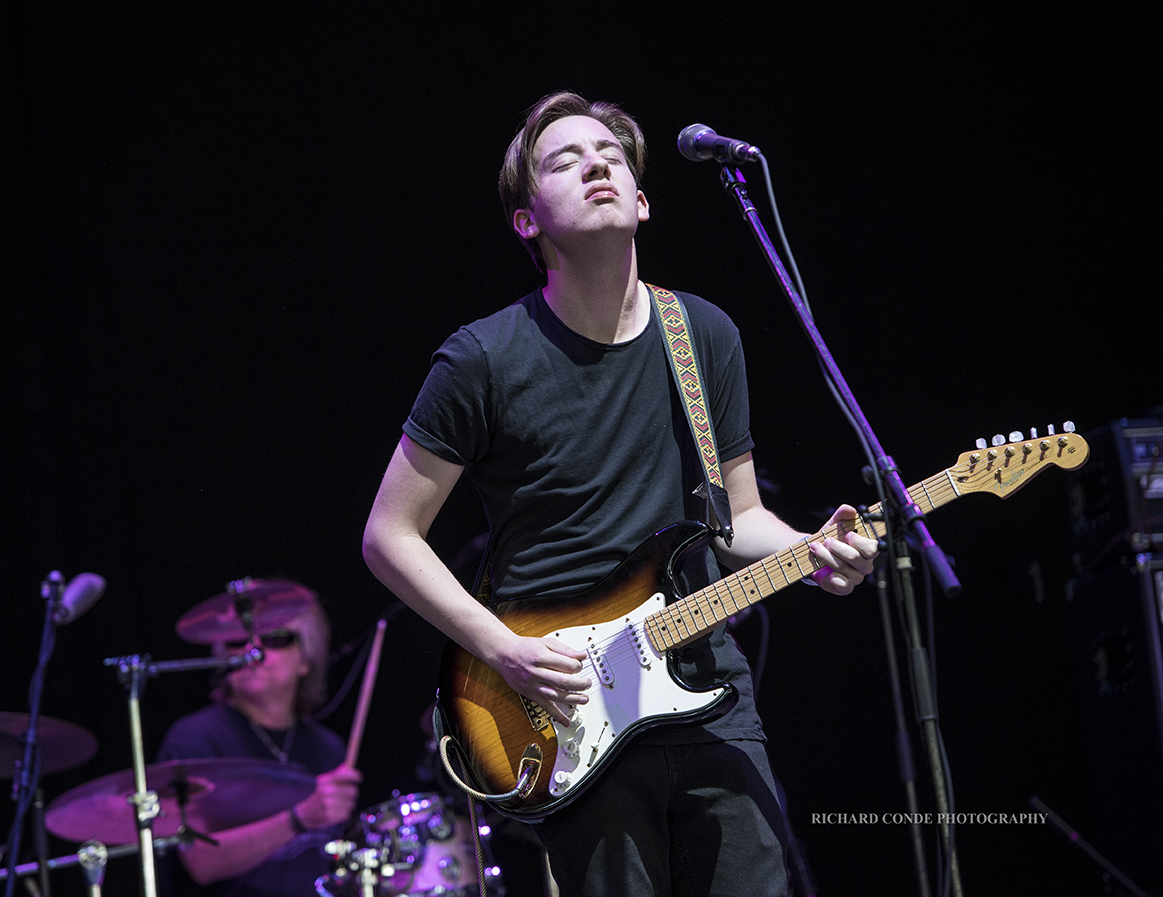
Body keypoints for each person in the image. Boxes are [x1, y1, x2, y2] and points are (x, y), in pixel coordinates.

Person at [361, 92, 878, 897]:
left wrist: (814, 555)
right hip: (562, 702)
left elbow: (738, 518)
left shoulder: (702, 332)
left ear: (641, 200)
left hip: (708, 684)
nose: (595, 164)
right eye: (563, 161)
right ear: (527, 221)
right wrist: (501, 647)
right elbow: (389, 535)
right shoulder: (481, 360)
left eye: (609, 155)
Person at [156, 583, 362, 896]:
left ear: (306, 659)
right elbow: (202, 862)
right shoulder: (195, 740)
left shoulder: (329, 749)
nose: (253, 650)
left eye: (275, 638)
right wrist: (299, 817)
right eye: (237, 640)